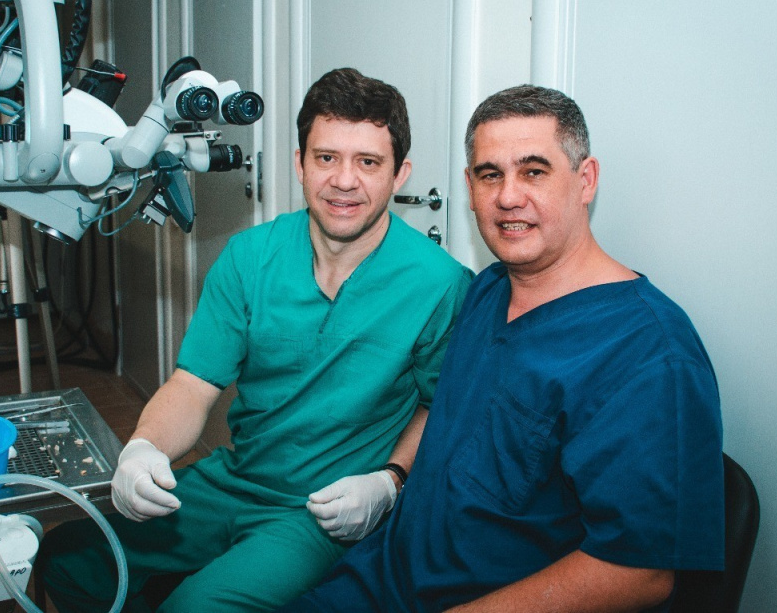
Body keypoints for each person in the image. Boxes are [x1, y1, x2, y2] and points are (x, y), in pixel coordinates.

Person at [35, 68, 473, 613]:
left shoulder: (438, 284)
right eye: (326, 157)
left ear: (399, 173)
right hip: (236, 480)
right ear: (299, 163)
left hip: (320, 512)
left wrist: (390, 481)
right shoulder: (249, 258)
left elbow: (437, 405)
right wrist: (143, 447)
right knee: (68, 556)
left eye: (368, 162)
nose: (344, 181)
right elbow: (193, 385)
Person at [282, 85, 725, 613]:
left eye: (534, 171)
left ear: (585, 180)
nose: (509, 197)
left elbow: (640, 572)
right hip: (380, 577)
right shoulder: (487, 291)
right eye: (490, 175)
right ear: (469, 188)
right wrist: (391, 480)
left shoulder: (649, 355)